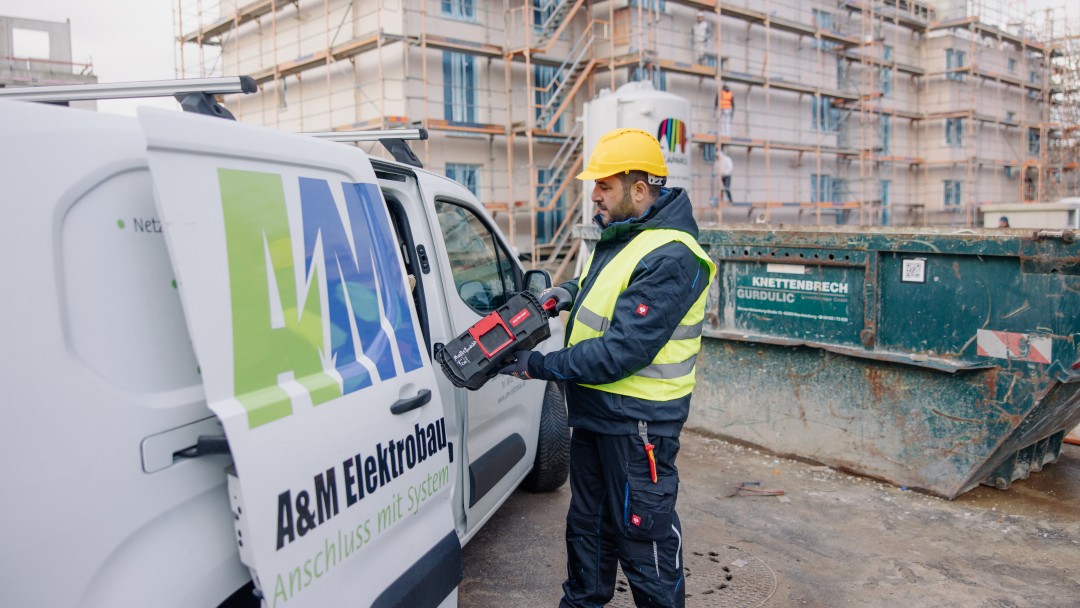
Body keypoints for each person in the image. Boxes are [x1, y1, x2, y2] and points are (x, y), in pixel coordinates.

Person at [498, 128, 716, 608]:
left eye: (604, 185)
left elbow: (621, 352)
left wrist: (537, 365)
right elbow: (608, 286)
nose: (594, 195)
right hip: (600, 417)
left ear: (639, 190)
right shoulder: (628, 234)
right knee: (588, 530)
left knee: (643, 543)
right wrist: (567, 292)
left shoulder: (674, 255)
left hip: (639, 429)